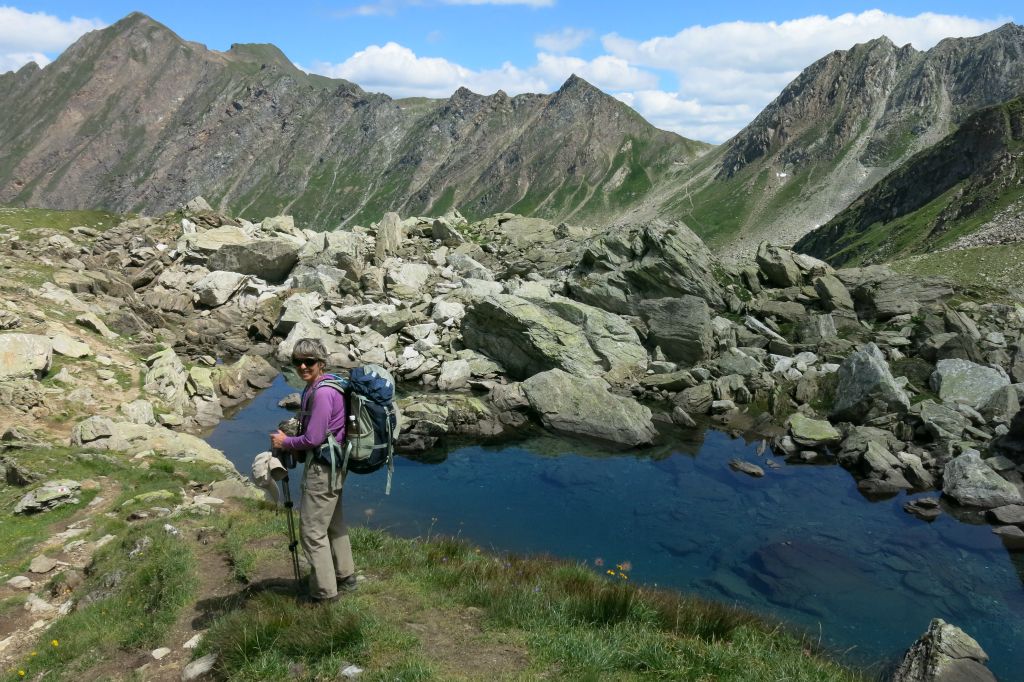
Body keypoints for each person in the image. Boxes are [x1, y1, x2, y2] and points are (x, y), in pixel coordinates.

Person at [270, 338, 357, 603]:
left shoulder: (321, 392)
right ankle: (345, 575)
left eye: (309, 362)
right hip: (337, 465)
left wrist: (286, 442)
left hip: (321, 469)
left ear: (321, 363)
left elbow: (314, 438)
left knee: (311, 532)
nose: (303, 366)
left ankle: (324, 594)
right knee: (333, 522)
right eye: (298, 362)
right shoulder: (327, 384)